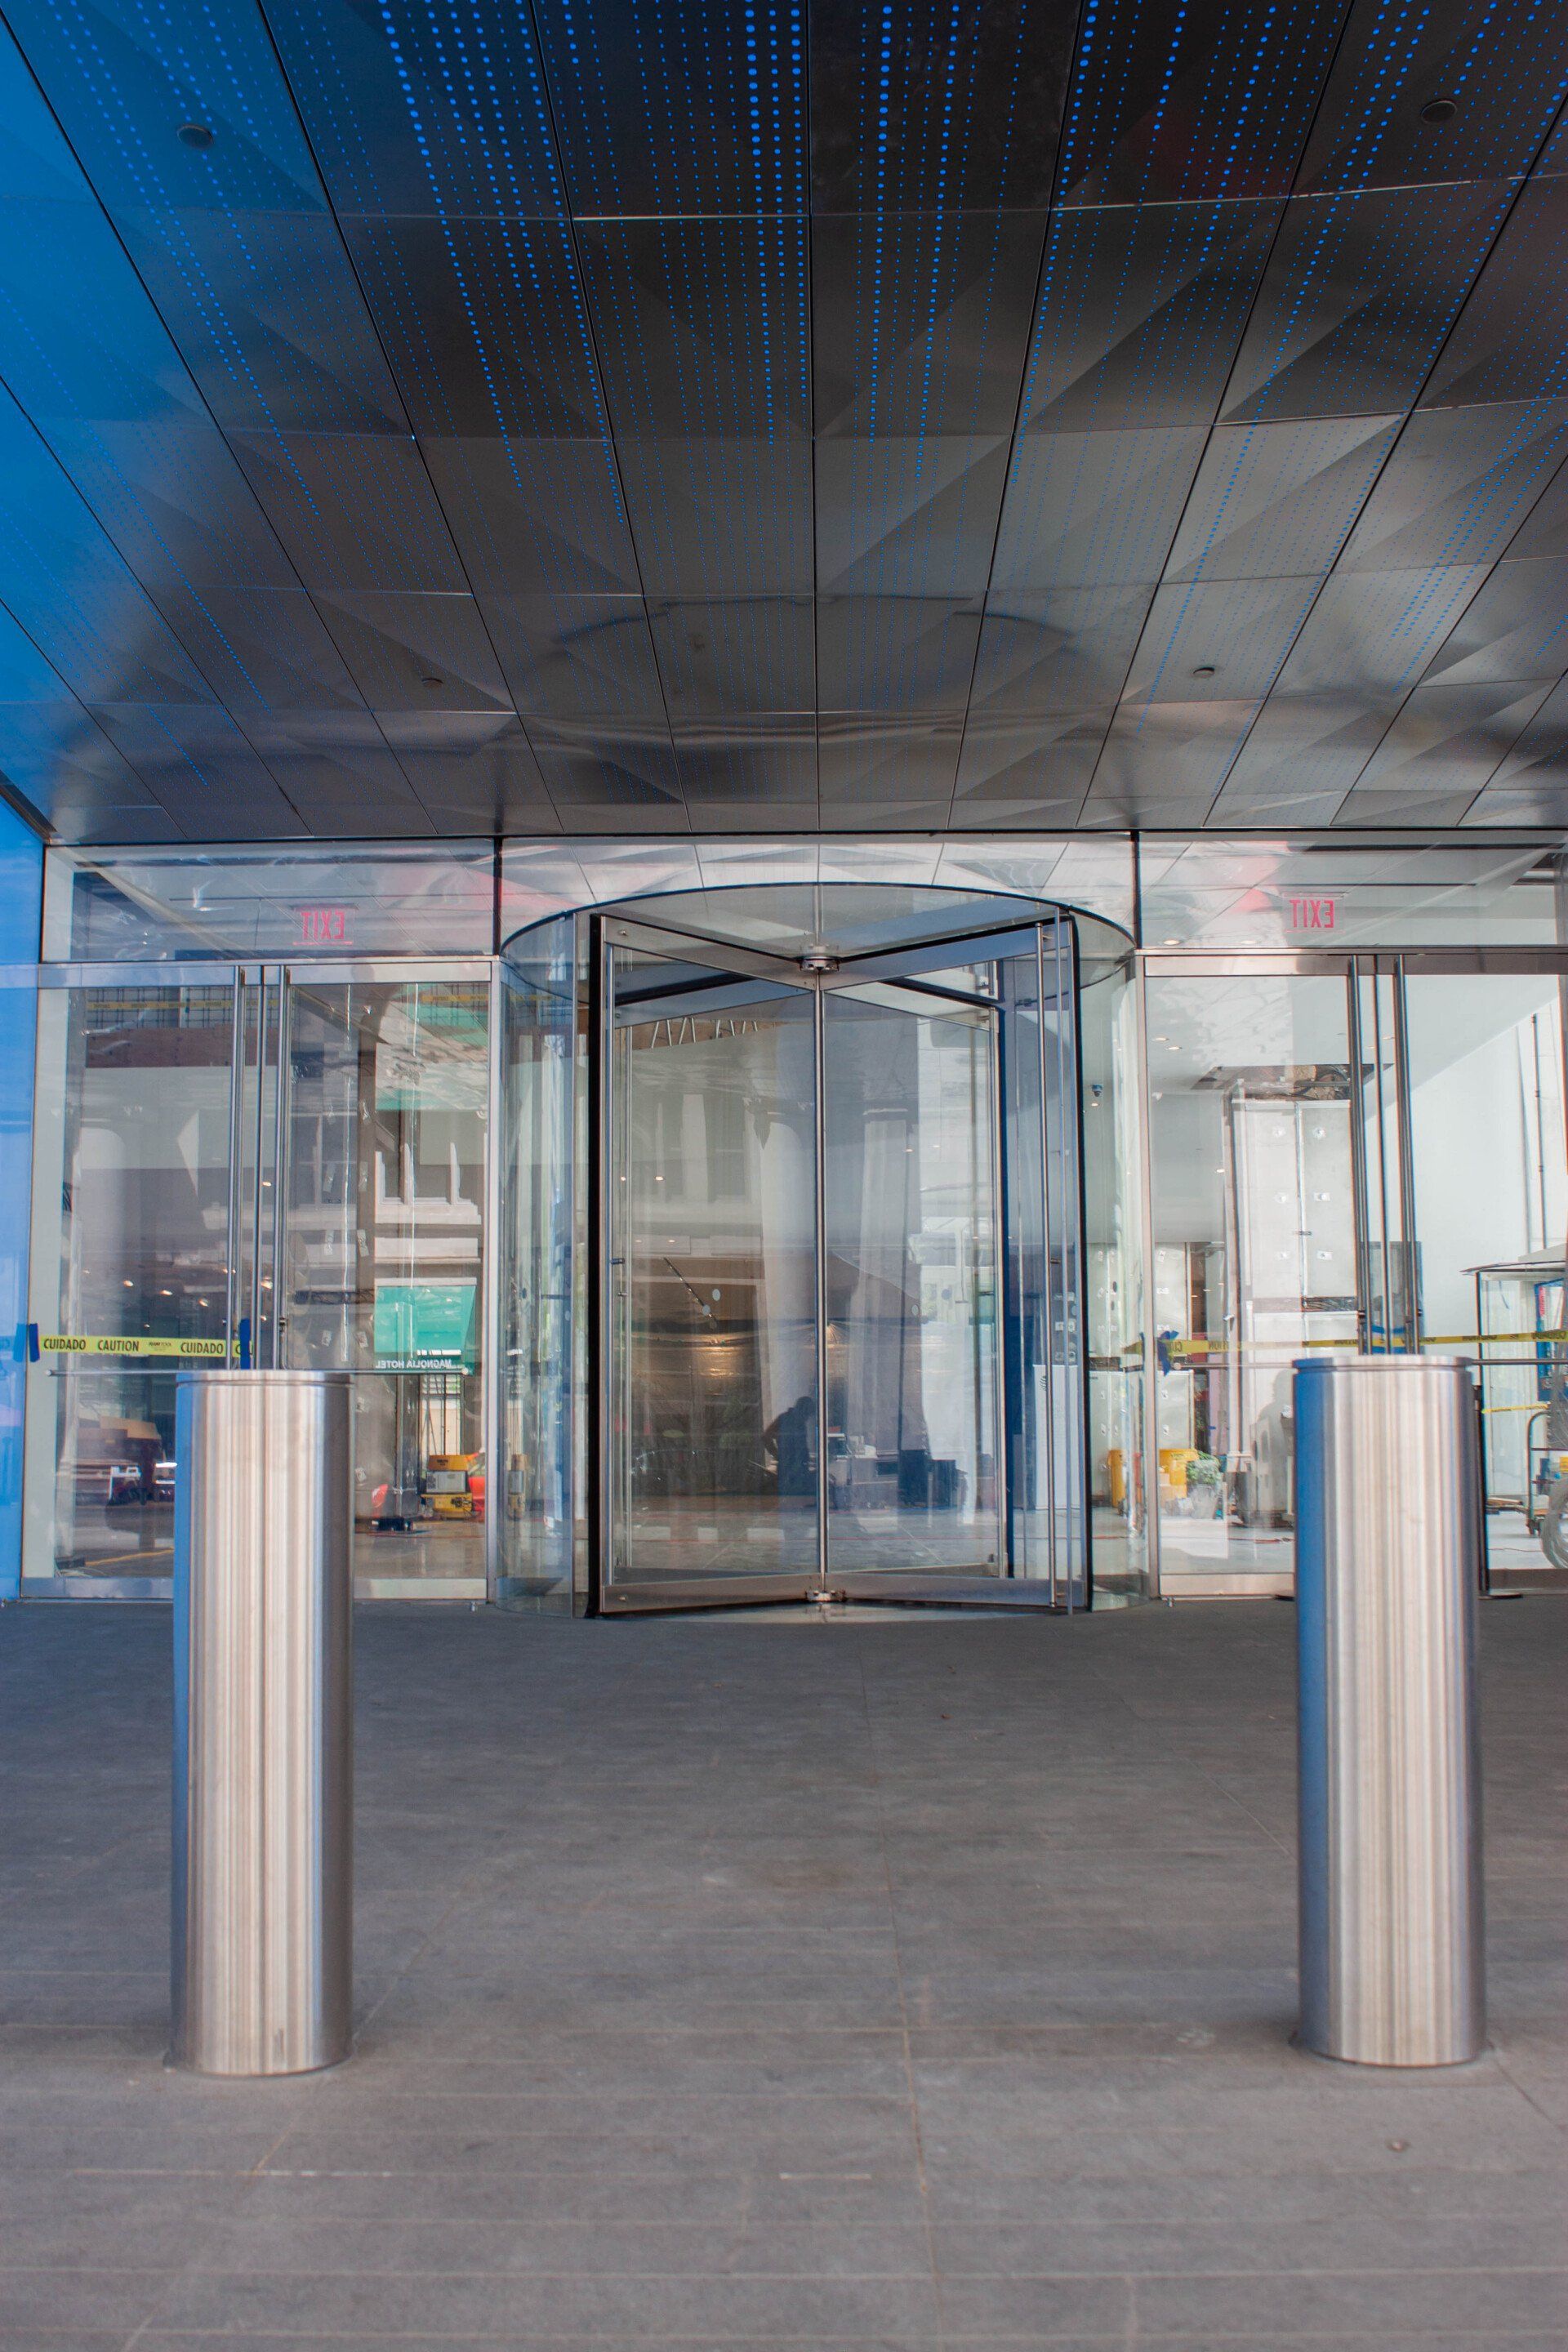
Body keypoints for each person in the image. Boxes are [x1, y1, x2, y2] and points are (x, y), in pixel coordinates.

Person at [764, 1396, 814, 1497]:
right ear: (801, 1410)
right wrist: (777, 1455)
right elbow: (766, 1437)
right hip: (787, 1468)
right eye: (806, 1414)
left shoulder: (800, 1424)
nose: (807, 1418)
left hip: (799, 1468)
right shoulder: (784, 1420)